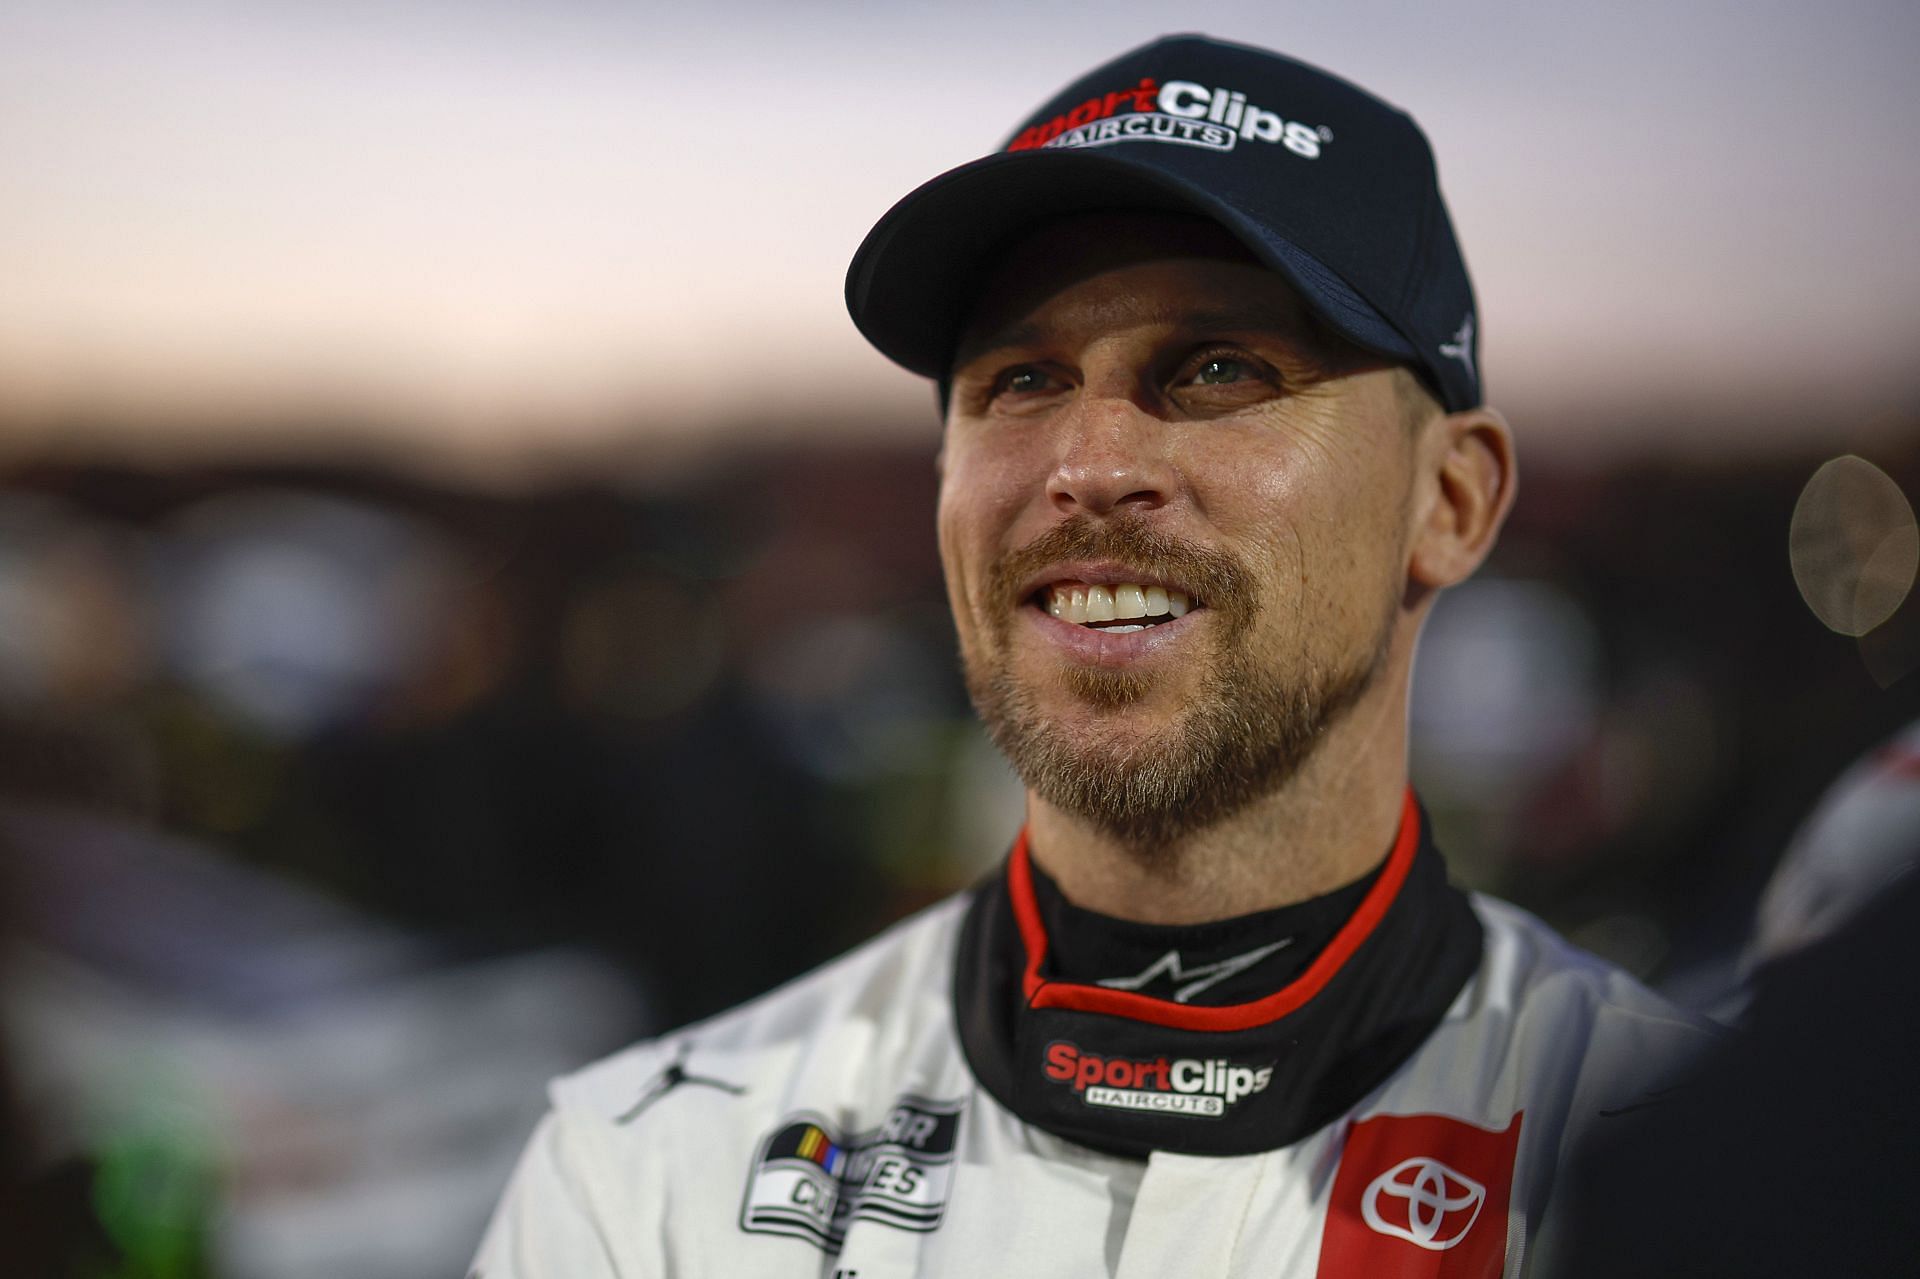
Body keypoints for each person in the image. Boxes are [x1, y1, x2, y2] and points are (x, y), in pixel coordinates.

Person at [473, 34, 1711, 1277]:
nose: (1090, 466)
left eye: (1222, 368)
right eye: (1021, 378)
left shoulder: (1716, 1172)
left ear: (1449, 502)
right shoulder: (646, 1179)